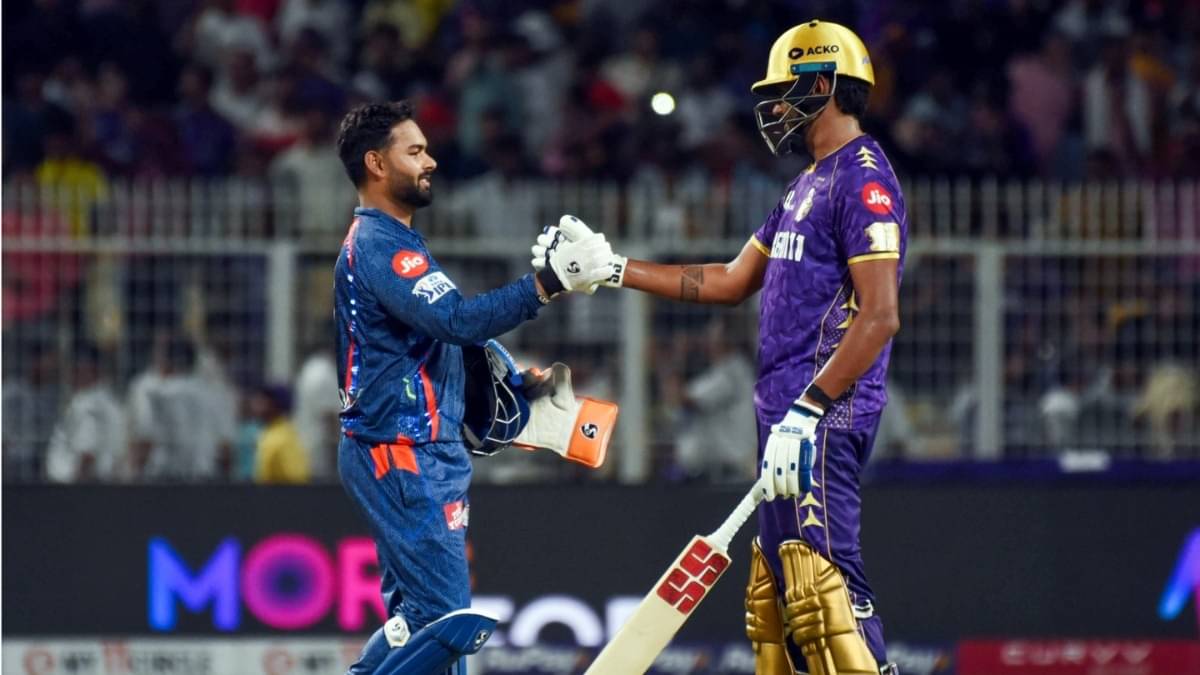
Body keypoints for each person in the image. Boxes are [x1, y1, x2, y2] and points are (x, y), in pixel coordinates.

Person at [534, 20, 904, 675]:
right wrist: (613, 268)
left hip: (824, 412)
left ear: (823, 85)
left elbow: (879, 317)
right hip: (788, 411)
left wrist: (812, 409)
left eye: (783, 90)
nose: (770, 108)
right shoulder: (803, 185)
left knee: (826, 590)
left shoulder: (863, 179)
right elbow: (731, 280)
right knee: (778, 599)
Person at [332, 101, 613, 674]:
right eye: (414, 151)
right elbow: (457, 321)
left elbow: (445, 342)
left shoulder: (395, 240)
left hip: (421, 449)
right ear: (375, 164)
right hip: (399, 450)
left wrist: (512, 382)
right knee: (447, 620)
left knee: (421, 618)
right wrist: (548, 283)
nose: (430, 160)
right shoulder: (382, 245)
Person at [45, 343, 128, 483]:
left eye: (75, 367)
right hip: (105, 485)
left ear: (90, 368)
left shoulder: (87, 402)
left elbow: (87, 452)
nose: (70, 373)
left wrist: (75, 492)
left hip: (77, 487)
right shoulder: (112, 403)